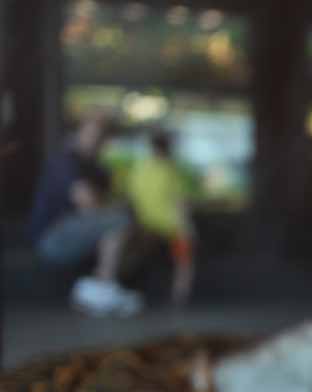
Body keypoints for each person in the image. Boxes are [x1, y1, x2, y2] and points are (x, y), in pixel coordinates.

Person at [29, 112, 143, 316]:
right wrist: (109, 206)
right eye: (91, 133)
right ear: (78, 133)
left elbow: (106, 205)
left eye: (101, 136)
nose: (95, 140)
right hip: (51, 238)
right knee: (120, 220)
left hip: (80, 233)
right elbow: (87, 201)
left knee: (133, 226)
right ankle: (102, 288)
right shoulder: (63, 161)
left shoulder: (100, 170)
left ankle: (96, 288)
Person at [128, 130, 195, 305]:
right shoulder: (172, 170)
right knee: (184, 258)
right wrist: (185, 227)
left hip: (145, 225)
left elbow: (132, 199)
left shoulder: (139, 169)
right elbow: (182, 203)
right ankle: (180, 296)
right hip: (171, 228)